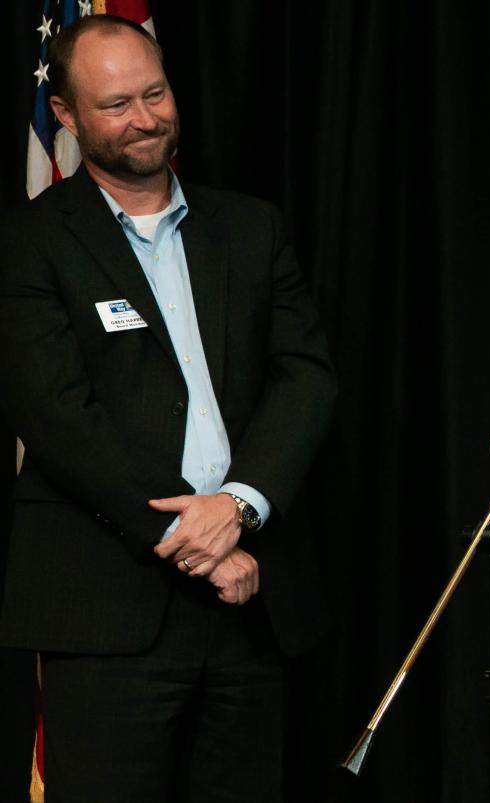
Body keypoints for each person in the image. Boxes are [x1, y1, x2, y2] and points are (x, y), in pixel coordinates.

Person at [0, 15, 335, 803]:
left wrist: (240, 506)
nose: (145, 117)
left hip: (251, 602)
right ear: (68, 119)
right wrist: (197, 537)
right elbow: (56, 414)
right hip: (106, 609)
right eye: (116, 104)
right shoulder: (30, 242)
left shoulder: (252, 226)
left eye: (155, 93)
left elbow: (306, 378)